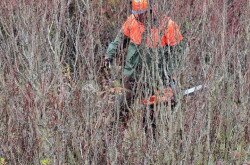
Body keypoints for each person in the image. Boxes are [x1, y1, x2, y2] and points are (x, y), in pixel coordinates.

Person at [105, 0, 183, 125]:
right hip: (131, 75)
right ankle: (113, 134)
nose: (138, 17)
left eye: (141, 14)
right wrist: (109, 55)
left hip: (155, 79)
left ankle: (149, 140)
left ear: (151, 10)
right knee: (120, 109)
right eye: (136, 14)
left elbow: (179, 53)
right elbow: (118, 41)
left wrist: (172, 75)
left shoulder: (167, 25)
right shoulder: (132, 20)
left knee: (151, 117)